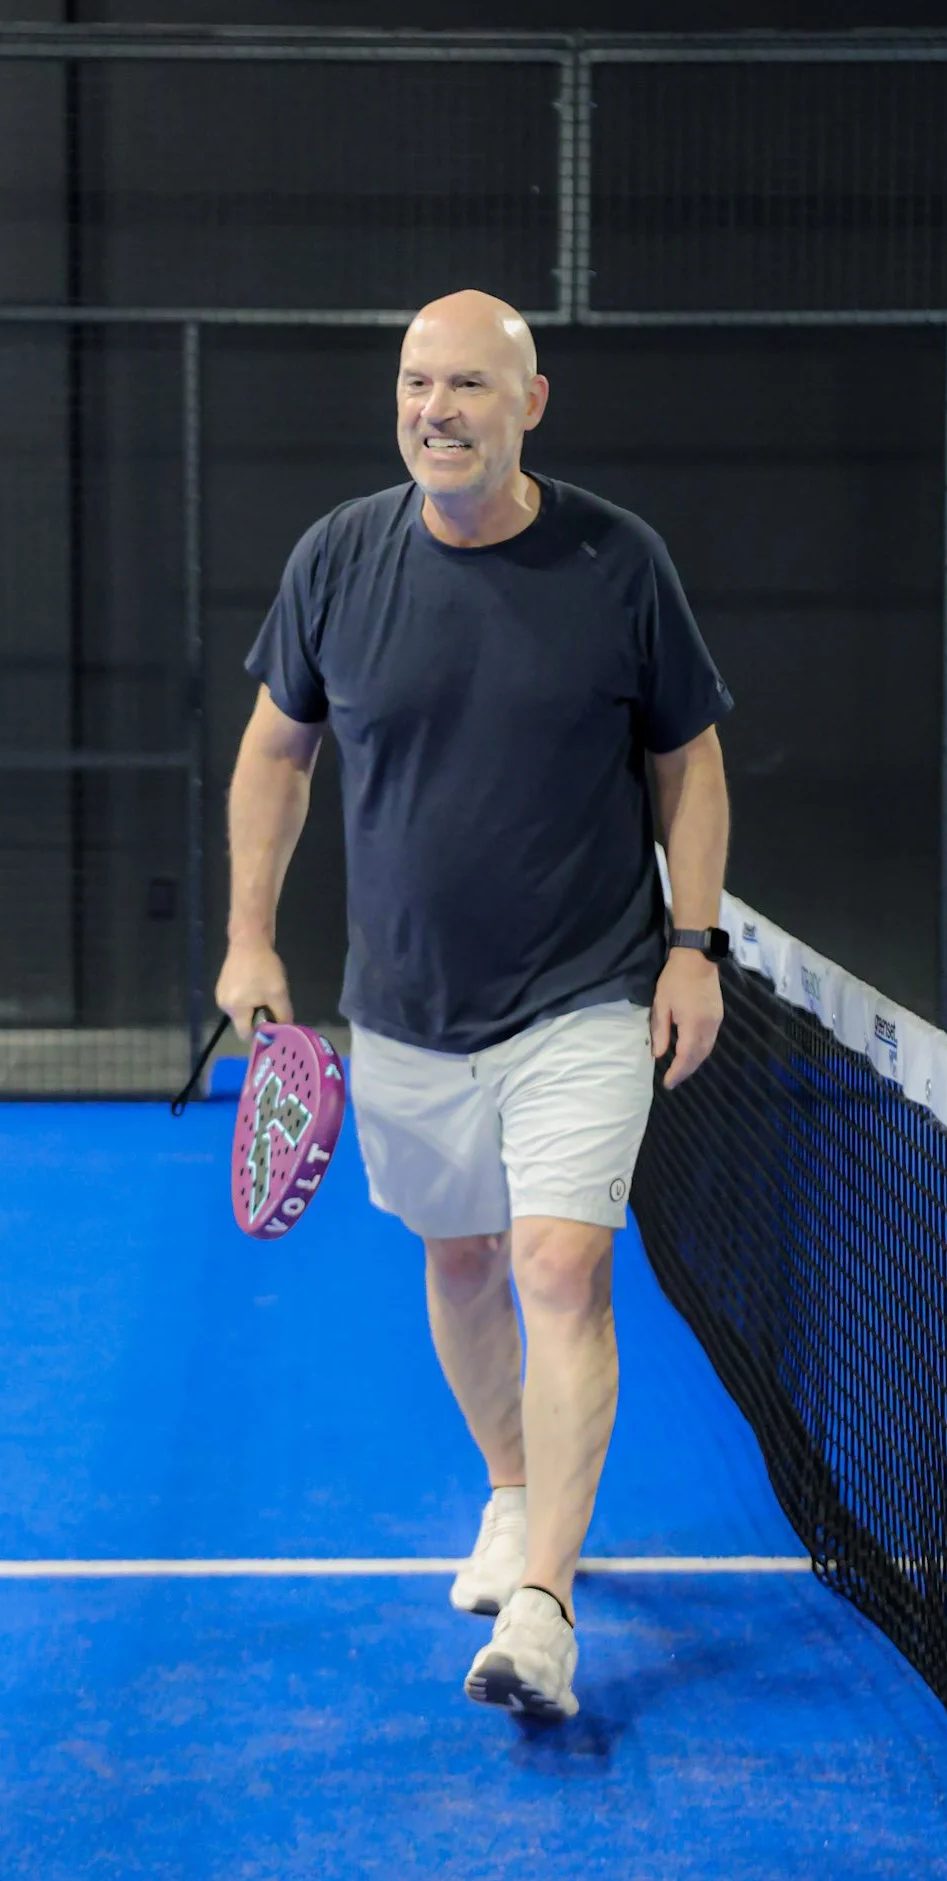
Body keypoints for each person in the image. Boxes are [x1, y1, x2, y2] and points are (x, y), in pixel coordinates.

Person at [217, 289, 732, 1720]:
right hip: (403, 1009)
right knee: (459, 1265)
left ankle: (547, 1613)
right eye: (413, 383)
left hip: (585, 992)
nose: (433, 410)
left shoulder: (619, 563)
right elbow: (275, 755)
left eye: (465, 386)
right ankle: (509, 1491)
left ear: (531, 403)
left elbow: (689, 761)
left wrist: (693, 944)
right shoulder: (336, 559)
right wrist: (250, 942)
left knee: (560, 1266)